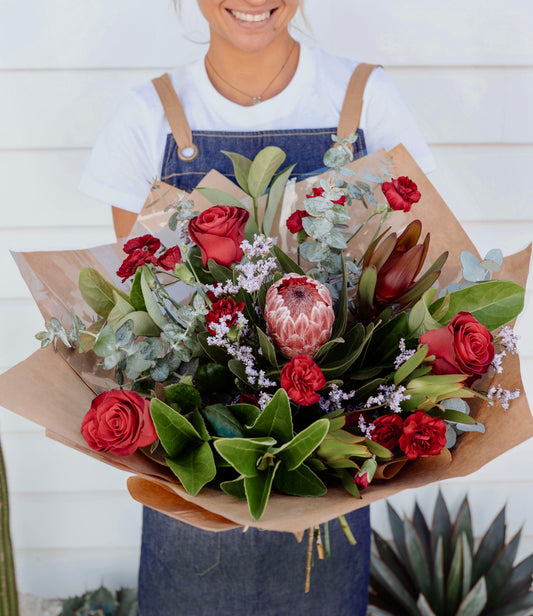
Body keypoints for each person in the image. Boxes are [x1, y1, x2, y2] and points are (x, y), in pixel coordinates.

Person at [79, 2, 435, 614]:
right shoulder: (146, 114)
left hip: (326, 494)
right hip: (192, 486)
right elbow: (141, 298)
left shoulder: (366, 99)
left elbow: (409, 263)